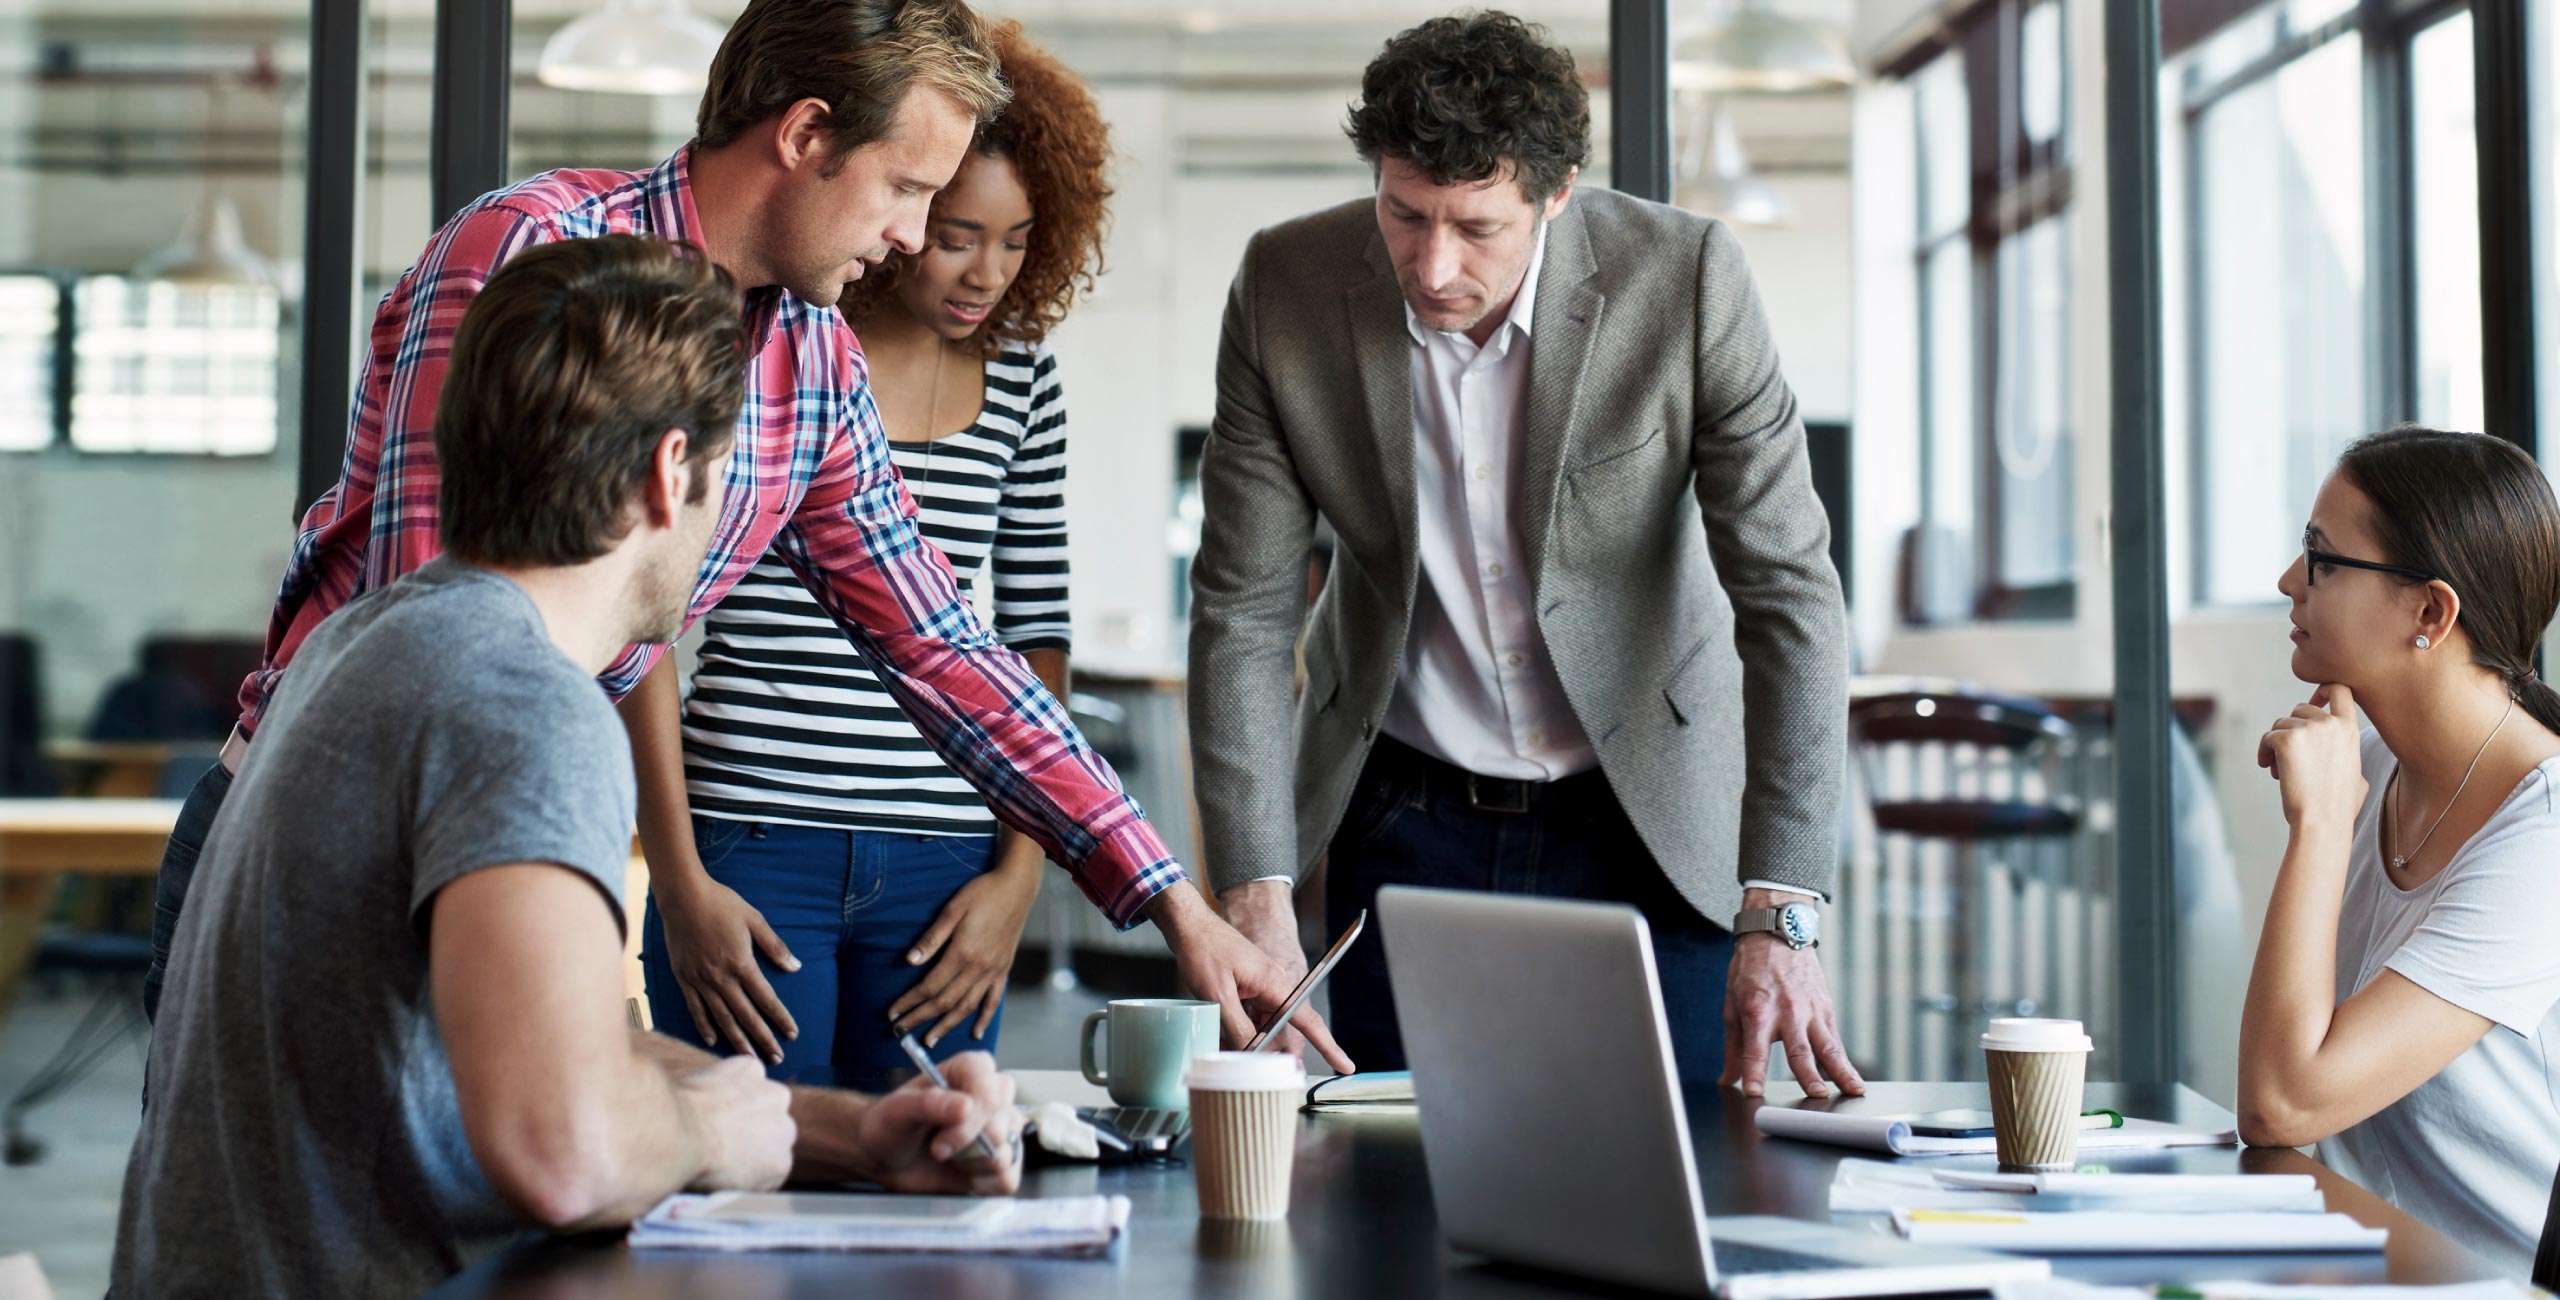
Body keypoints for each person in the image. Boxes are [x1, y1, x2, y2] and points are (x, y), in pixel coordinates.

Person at [138, 0, 1345, 1072]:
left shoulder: (810, 360)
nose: (920, 239)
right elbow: (434, 636)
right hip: (326, 845)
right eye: (907, 189)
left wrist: (1173, 899)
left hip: (497, 859)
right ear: (806, 134)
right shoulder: (531, 253)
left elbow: (940, 643)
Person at [113, 236, 1025, 1300]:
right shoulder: (522, 704)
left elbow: (563, 1049)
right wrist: (707, 1133)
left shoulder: (366, 644)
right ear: (667, 474)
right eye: (726, 476)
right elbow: (564, 1149)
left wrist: (854, 1131)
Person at [1187, 10, 1861, 1097]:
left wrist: (1781, 903)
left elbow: (1788, 594)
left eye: (1476, 227)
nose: (1434, 264)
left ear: (1556, 194)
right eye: (1404, 214)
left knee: (1671, 1193)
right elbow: (1242, 608)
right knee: (1397, 1195)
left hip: (1650, 819)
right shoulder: (1285, 286)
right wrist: (1253, 887)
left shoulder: (1684, 280)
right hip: (1405, 820)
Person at [634, 21, 1111, 1086]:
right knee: (744, 1186)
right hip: (752, 838)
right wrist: (675, 874)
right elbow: (644, 619)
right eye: (947, 226)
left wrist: (1019, 878)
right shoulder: (772, 346)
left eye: (1018, 239)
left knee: (934, 1186)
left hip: (944, 864)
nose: (984, 270)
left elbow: (1017, 638)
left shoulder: (1023, 385)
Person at [2245, 426, 2560, 1274]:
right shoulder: (2372, 763)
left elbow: (2281, 1103)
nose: (2288, 583)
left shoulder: (2547, 838)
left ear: (2430, 611)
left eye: (2322, 558)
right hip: (2357, 1266)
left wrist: (2317, 827)